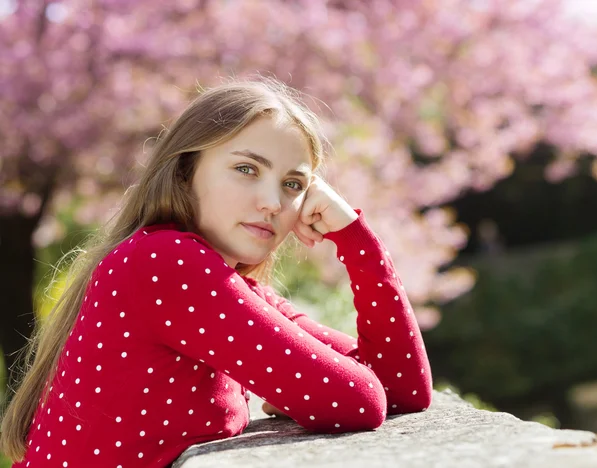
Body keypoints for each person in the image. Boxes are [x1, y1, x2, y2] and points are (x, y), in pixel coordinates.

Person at [0, 77, 432, 467]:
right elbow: (358, 401)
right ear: (185, 172)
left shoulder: (235, 287)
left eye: (293, 184)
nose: (273, 202)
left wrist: (356, 240)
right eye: (247, 169)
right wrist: (313, 391)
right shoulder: (162, 262)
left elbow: (402, 389)